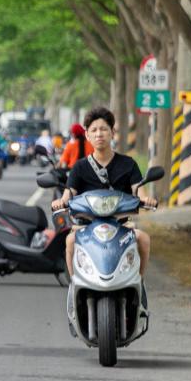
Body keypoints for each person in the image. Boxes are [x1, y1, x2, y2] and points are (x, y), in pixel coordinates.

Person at [56, 106, 153, 275]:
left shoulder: (128, 164)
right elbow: (68, 193)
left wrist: (147, 199)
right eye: (93, 130)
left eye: (103, 129)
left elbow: (139, 191)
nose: (99, 134)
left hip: (122, 226)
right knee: (70, 241)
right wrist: (61, 202)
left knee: (143, 239)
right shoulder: (80, 167)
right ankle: (75, 287)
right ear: (87, 135)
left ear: (112, 132)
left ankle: (139, 283)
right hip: (86, 227)